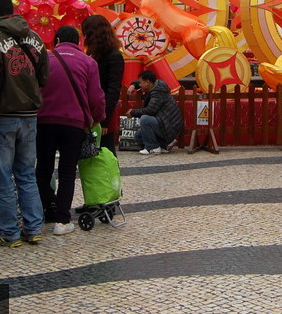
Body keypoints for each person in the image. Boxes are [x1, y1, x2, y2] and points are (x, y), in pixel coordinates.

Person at [0, 0, 49, 247]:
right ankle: (34, 228)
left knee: (2, 175)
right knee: (27, 173)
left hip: (2, 116)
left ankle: (9, 231)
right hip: (30, 117)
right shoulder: (36, 38)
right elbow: (44, 77)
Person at [38, 26, 106, 235]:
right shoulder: (88, 62)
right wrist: (97, 119)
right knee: (67, 171)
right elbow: (96, 97)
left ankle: (39, 214)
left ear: (57, 39)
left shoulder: (45, 59)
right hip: (74, 124)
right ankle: (62, 220)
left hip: (44, 121)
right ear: (79, 41)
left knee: (43, 168)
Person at [82, 14, 125, 155]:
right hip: (91, 111)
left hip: (104, 112)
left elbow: (113, 90)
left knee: (106, 151)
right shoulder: (92, 54)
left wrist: (104, 119)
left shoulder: (113, 56)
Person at [128, 70, 184, 155]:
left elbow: (151, 110)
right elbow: (141, 81)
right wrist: (133, 85)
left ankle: (153, 147)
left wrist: (133, 112)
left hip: (169, 126)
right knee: (139, 136)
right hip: (164, 123)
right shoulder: (155, 86)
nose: (139, 85)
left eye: (140, 82)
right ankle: (164, 145)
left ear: (147, 82)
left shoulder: (158, 93)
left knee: (145, 119)